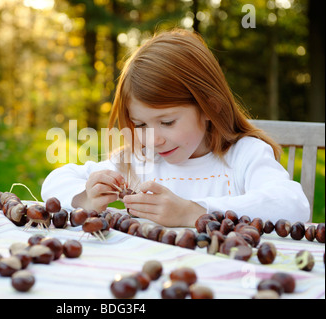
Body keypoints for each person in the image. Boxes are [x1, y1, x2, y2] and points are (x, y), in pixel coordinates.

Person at [41, 28, 310, 227]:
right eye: (140, 124)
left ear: (209, 107)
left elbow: (293, 205)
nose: (153, 138)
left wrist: (193, 212)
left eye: (167, 122)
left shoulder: (244, 155)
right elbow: (54, 182)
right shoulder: (138, 160)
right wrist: (87, 198)